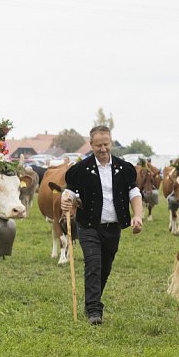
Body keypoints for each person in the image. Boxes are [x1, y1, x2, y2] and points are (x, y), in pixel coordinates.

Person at [61, 125, 143, 325]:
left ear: (111, 143)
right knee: (93, 264)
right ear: (91, 145)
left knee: (105, 268)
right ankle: (93, 311)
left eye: (106, 144)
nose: (103, 149)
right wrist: (65, 200)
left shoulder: (124, 169)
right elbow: (69, 193)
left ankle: (93, 299)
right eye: (98, 145)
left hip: (113, 227)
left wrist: (138, 216)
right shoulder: (80, 170)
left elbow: (134, 193)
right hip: (88, 225)